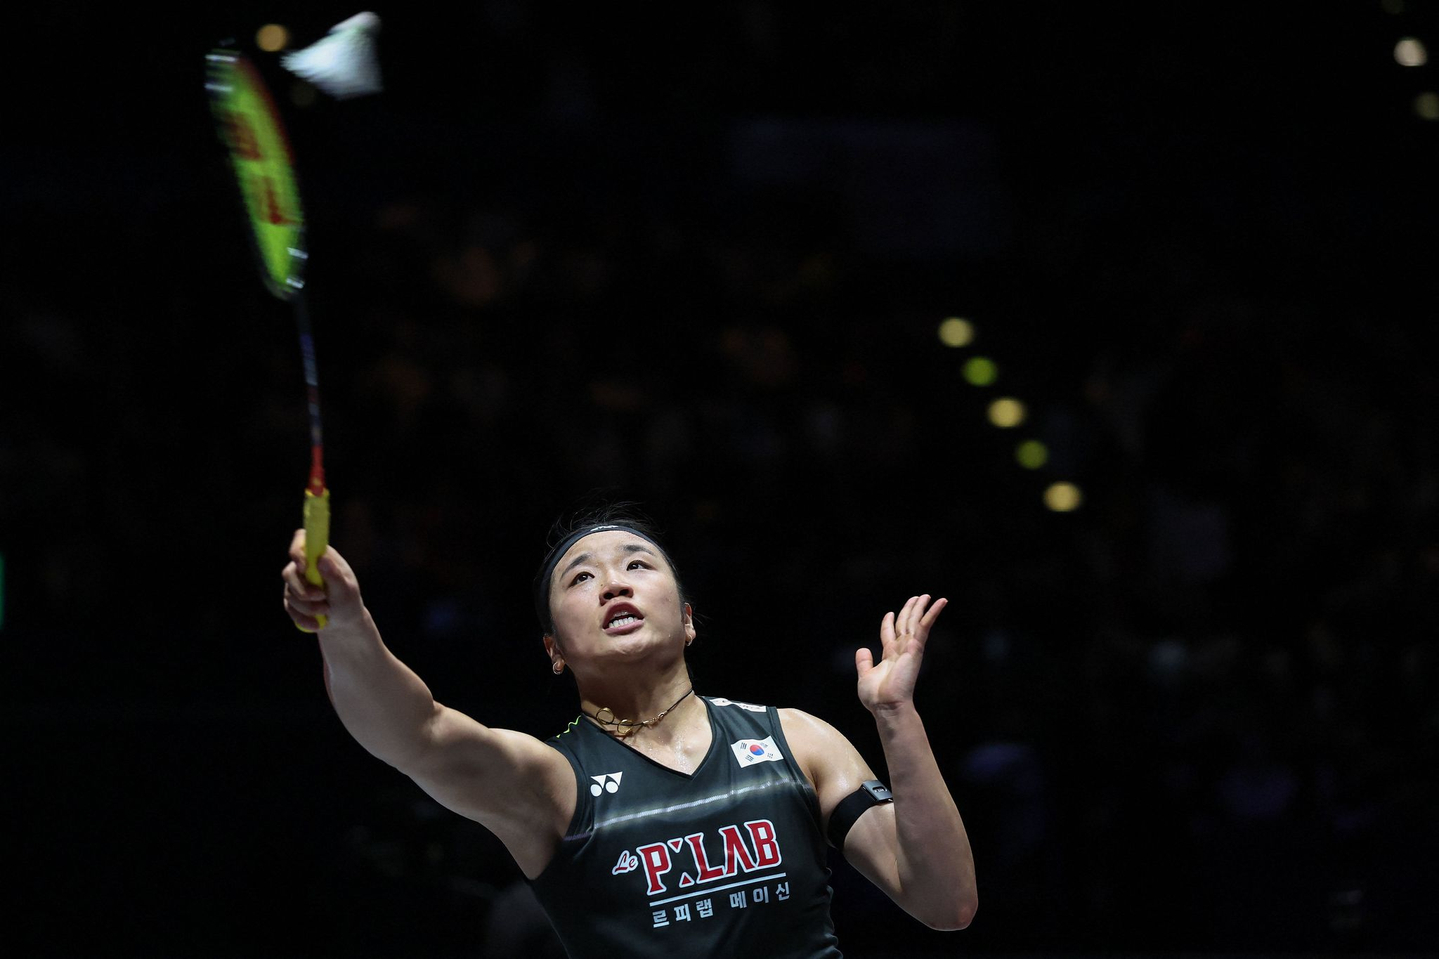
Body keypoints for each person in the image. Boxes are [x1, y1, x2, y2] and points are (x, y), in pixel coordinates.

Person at [282, 510, 977, 958]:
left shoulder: (798, 741)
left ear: (687, 619)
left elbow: (945, 900)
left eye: (637, 565)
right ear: (554, 649)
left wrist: (894, 716)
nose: (614, 583)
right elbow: (417, 731)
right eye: (581, 578)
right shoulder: (551, 783)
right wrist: (345, 627)